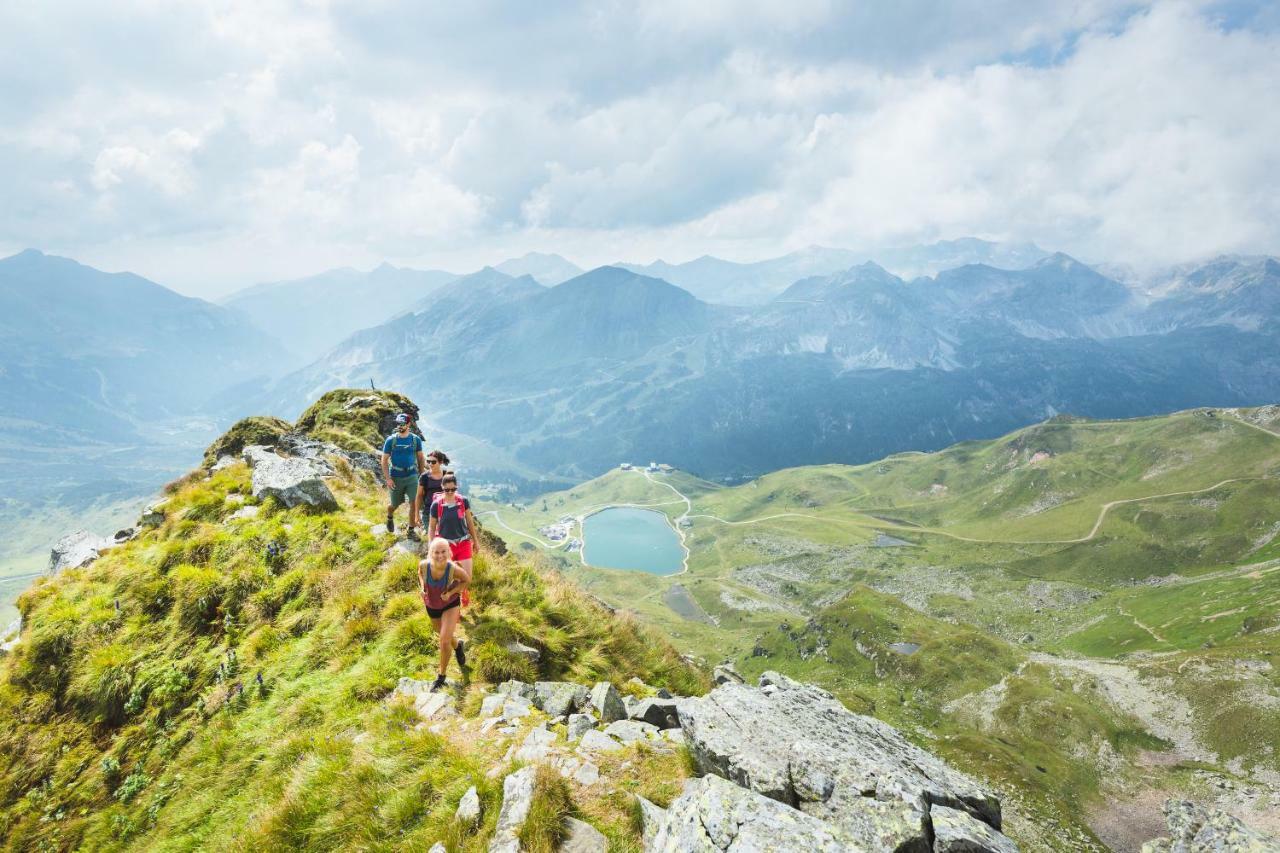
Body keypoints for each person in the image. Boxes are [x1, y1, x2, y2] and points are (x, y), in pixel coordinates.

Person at [419, 537, 470, 691]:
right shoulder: (423, 565)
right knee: (442, 634)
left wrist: (452, 592)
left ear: (448, 552)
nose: (440, 556)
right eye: (436, 552)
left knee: (443, 641)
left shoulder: (453, 568)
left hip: (450, 604)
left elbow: (466, 580)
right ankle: (458, 646)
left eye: (443, 552)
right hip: (432, 605)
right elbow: (420, 574)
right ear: (430, 553)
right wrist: (422, 588)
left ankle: (441, 677)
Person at [426, 472, 480, 578]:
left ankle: (461, 594)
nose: (450, 492)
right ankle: (451, 594)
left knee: (467, 577)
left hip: (463, 542)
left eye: (453, 489)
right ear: (442, 487)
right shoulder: (436, 505)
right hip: (445, 546)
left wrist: (475, 541)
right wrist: (431, 547)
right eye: (447, 490)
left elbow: (469, 522)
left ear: (456, 487)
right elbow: (432, 528)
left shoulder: (463, 501)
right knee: (448, 578)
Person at [381, 413, 426, 537]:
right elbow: (384, 460)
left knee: (414, 502)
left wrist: (422, 475)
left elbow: (420, 457)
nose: (399, 426)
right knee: (394, 505)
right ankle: (390, 516)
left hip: (412, 476)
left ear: (408, 424)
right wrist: (388, 479)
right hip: (396, 476)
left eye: (402, 424)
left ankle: (410, 530)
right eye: (398, 424)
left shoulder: (415, 440)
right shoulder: (391, 440)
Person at [413, 449, 450, 538]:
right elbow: (419, 496)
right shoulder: (424, 477)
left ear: (440, 462)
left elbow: (452, 492)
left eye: (433, 462)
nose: (430, 464)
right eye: (428, 461)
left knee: (444, 537)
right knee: (433, 537)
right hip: (428, 512)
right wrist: (417, 514)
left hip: (445, 512)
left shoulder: (446, 474)